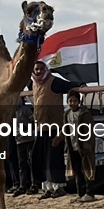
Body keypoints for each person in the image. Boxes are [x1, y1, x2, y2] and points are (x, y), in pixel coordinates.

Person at [32, 61, 83, 199]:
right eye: (36, 69)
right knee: (42, 158)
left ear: (46, 69)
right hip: (41, 127)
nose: (38, 72)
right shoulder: (34, 83)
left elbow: (69, 85)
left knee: (54, 158)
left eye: (41, 69)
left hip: (54, 127)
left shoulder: (54, 82)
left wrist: (80, 84)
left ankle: (59, 187)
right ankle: (47, 188)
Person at [64, 91, 97, 202]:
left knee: (87, 170)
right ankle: (81, 193)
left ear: (79, 102)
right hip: (72, 147)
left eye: (75, 101)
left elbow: (89, 131)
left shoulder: (84, 114)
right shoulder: (67, 114)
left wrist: (87, 146)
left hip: (83, 148)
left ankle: (89, 193)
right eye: (70, 101)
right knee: (77, 171)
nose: (72, 103)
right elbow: (66, 129)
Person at [11, 97, 38, 196]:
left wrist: (28, 132)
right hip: (19, 141)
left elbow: (33, 121)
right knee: (21, 164)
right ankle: (22, 185)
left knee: (31, 162)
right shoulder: (10, 112)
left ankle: (34, 184)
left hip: (29, 139)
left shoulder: (25, 109)